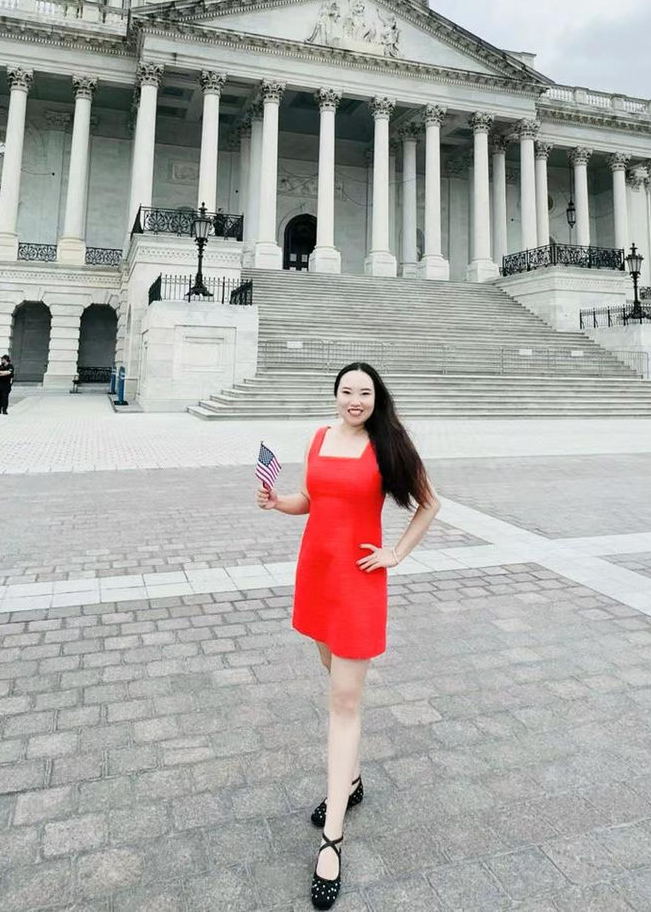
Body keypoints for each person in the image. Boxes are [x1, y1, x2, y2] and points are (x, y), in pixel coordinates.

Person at [256, 361, 440, 908]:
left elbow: (430, 503)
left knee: (343, 702)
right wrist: (276, 502)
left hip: (360, 581)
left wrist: (395, 554)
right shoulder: (319, 437)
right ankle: (352, 781)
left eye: (364, 393)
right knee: (332, 677)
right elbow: (311, 502)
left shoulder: (388, 445)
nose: (354, 400)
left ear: (376, 398)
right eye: (346, 392)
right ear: (335, 395)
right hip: (315, 574)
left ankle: (332, 836)